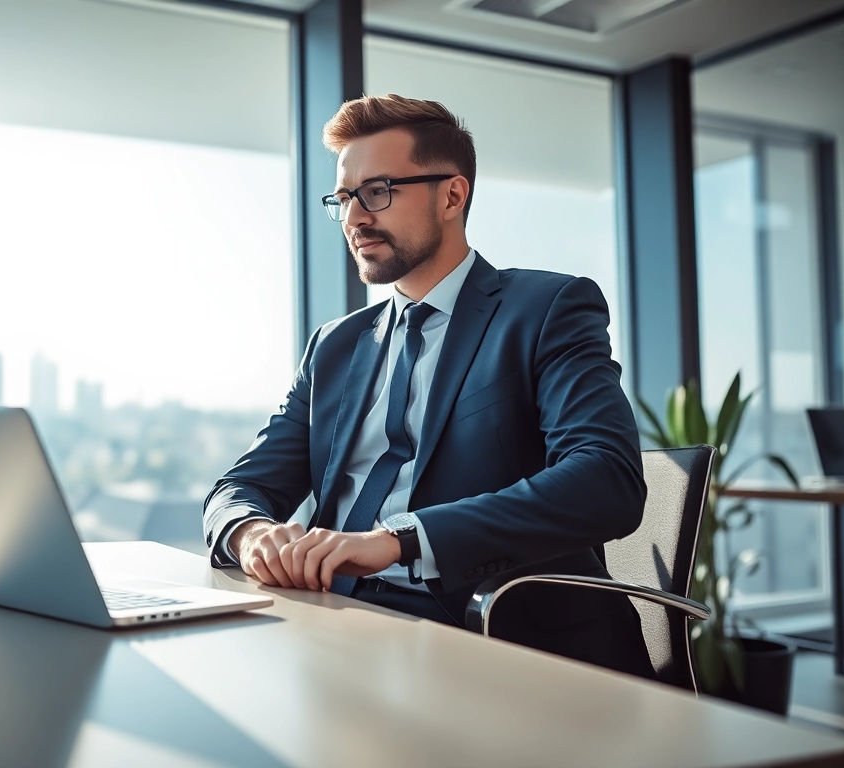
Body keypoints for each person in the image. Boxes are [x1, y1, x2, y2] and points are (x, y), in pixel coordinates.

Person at [202, 93, 654, 679]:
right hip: (337, 628)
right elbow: (240, 486)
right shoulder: (335, 346)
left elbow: (606, 479)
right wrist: (251, 532)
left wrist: (400, 540)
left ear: (453, 195)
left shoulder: (546, 309)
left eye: (377, 192)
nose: (354, 219)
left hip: (492, 638)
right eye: (343, 199)